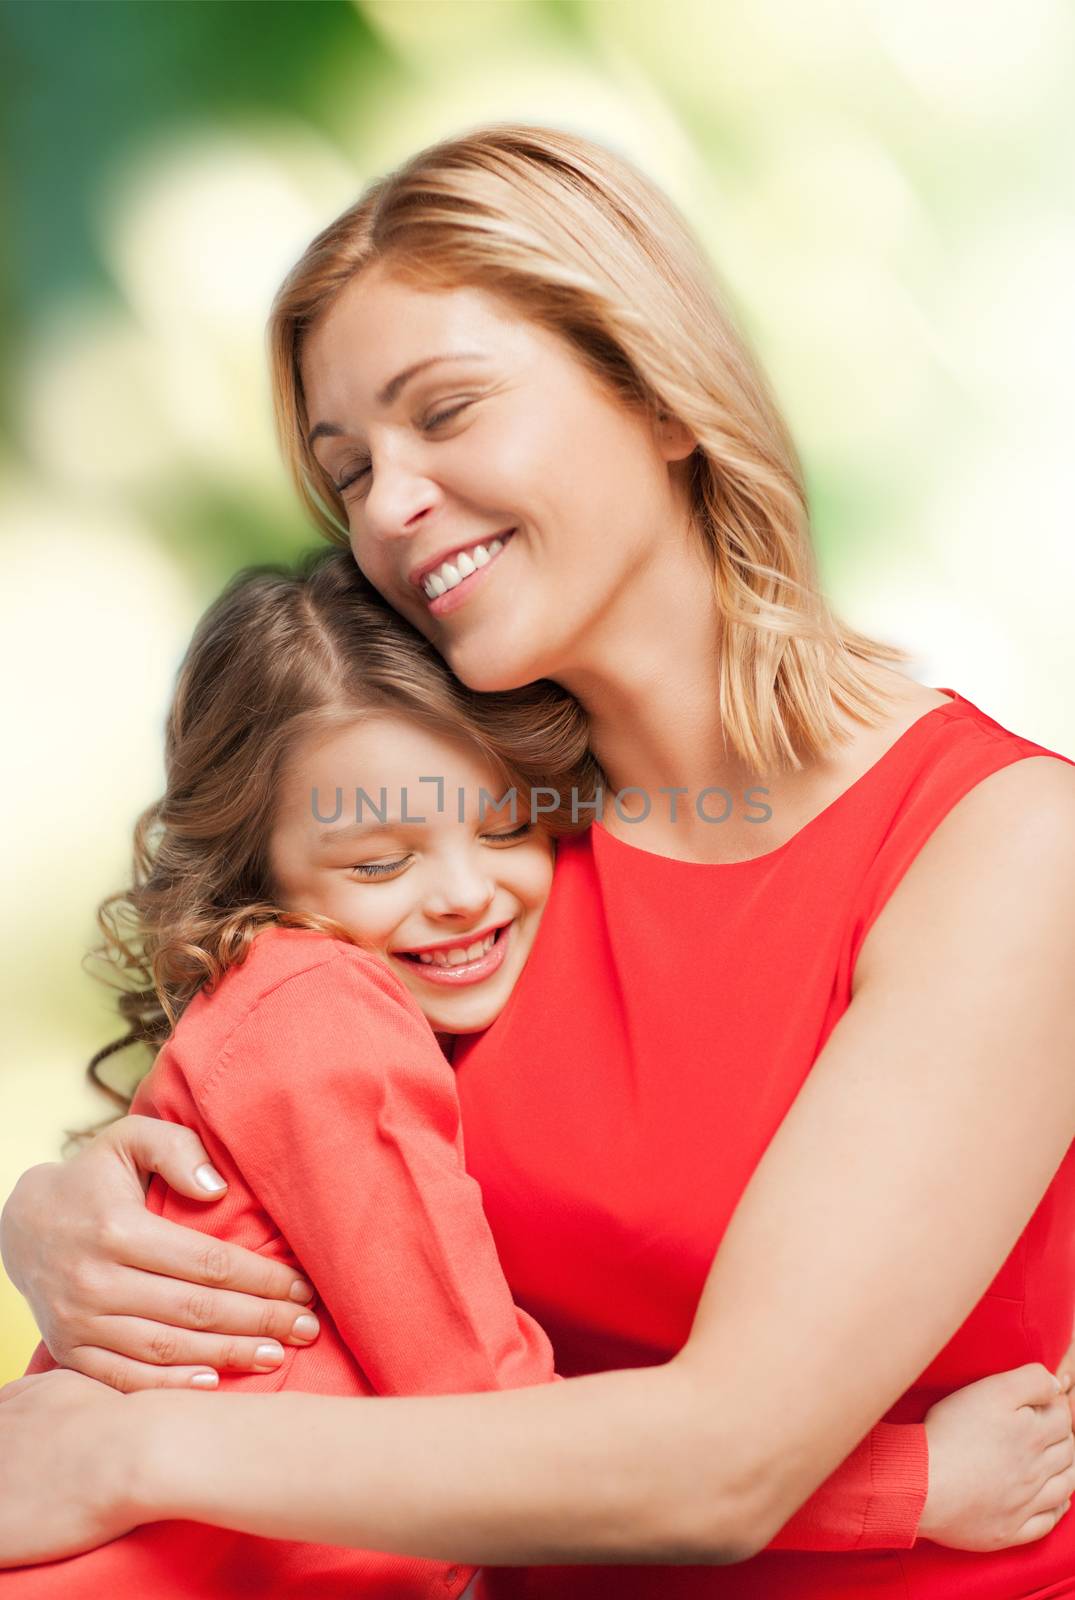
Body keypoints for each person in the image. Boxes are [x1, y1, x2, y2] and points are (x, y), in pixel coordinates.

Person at [2, 123, 1074, 1598]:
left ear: (662, 396)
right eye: (349, 469)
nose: (387, 503)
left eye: (445, 412)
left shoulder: (1005, 851)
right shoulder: (470, 853)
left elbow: (727, 1460)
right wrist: (66, 1219)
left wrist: (130, 1451)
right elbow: (287, 1154)